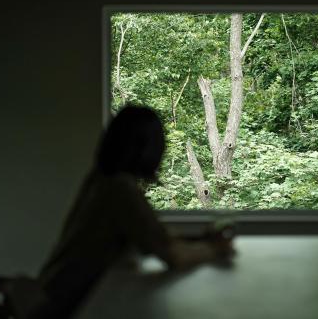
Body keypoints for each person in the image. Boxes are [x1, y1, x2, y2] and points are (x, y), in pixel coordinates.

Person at [25, 106, 234, 318]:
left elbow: (153, 237)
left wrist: (197, 240)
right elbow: (173, 256)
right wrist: (215, 249)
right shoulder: (120, 190)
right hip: (66, 308)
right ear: (146, 148)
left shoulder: (100, 180)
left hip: (50, 295)